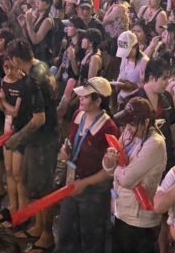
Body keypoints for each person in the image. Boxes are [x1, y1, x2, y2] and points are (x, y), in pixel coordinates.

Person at [4, 39, 59, 253]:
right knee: (36, 187)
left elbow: (39, 119)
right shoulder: (41, 66)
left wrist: (17, 138)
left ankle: (47, 235)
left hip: (43, 140)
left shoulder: (33, 79)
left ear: (16, 60)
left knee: (44, 190)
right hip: (45, 137)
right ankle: (38, 227)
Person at [56, 76, 119, 253]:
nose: (80, 99)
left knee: (91, 239)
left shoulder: (109, 128)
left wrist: (84, 183)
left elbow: (109, 171)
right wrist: (65, 152)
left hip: (94, 191)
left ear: (98, 101)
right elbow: (70, 142)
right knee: (66, 233)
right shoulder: (78, 115)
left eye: (85, 96)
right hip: (72, 181)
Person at [105, 97, 168, 253]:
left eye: (132, 123)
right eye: (126, 122)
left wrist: (116, 169)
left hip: (139, 222)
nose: (128, 128)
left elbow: (128, 179)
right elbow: (110, 169)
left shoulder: (155, 143)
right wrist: (109, 160)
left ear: (145, 122)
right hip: (119, 212)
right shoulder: (128, 133)